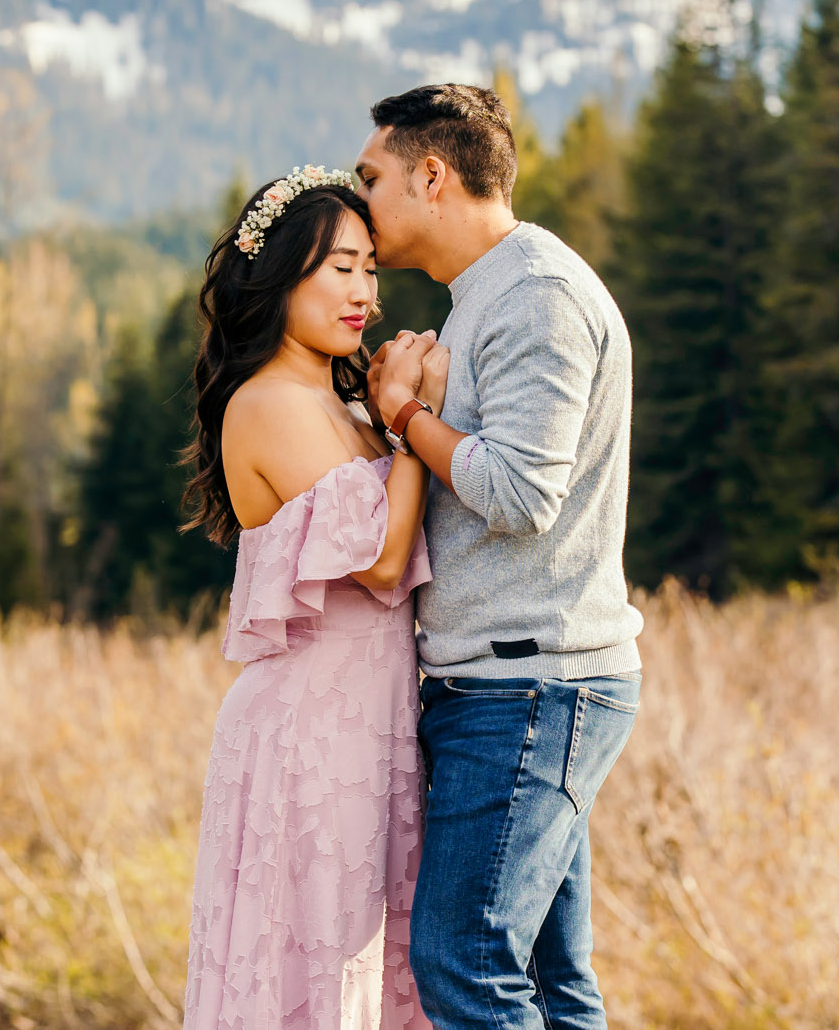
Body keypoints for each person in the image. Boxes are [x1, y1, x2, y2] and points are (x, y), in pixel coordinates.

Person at [355, 84, 645, 1030]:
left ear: (431, 175)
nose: (360, 201)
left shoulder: (538, 296)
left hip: (529, 686)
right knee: (553, 988)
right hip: (513, 683)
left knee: (464, 964)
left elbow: (523, 492)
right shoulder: (488, 294)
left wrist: (407, 418)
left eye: (373, 177)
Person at [181, 165, 449, 1029]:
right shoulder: (266, 402)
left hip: (372, 729)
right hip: (306, 738)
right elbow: (379, 562)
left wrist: (390, 413)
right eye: (340, 266)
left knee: (368, 968)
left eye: (372, 267)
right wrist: (409, 416)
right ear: (280, 275)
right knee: (310, 970)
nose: (364, 291)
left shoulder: (347, 405)